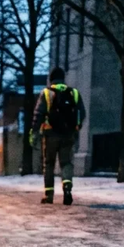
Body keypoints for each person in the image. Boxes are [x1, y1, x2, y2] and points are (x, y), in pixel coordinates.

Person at [30, 67, 86, 205]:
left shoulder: (46, 93)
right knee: (66, 162)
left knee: (48, 164)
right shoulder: (74, 93)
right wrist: (76, 128)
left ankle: (49, 195)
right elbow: (81, 113)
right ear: (63, 78)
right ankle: (67, 188)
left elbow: (39, 114)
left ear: (51, 79)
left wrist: (34, 132)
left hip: (50, 135)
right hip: (68, 135)